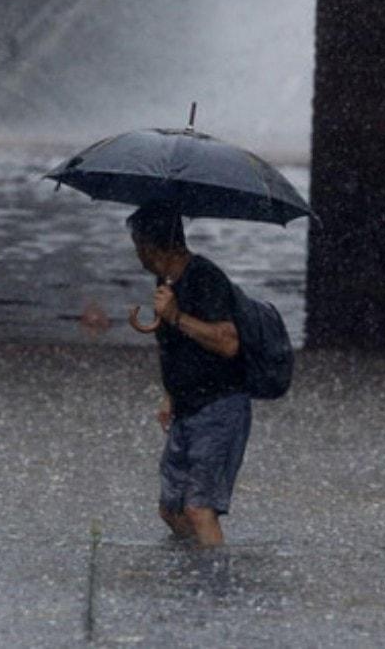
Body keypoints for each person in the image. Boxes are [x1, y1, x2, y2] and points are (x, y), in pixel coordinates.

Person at [127, 203, 250, 548]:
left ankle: (214, 585)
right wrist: (170, 394)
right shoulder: (166, 281)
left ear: (151, 246)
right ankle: (192, 569)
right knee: (171, 510)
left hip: (220, 408)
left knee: (199, 508)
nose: (136, 253)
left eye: (137, 244)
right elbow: (179, 347)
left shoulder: (205, 278)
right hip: (187, 408)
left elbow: (228, 342)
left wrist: (176, 316)